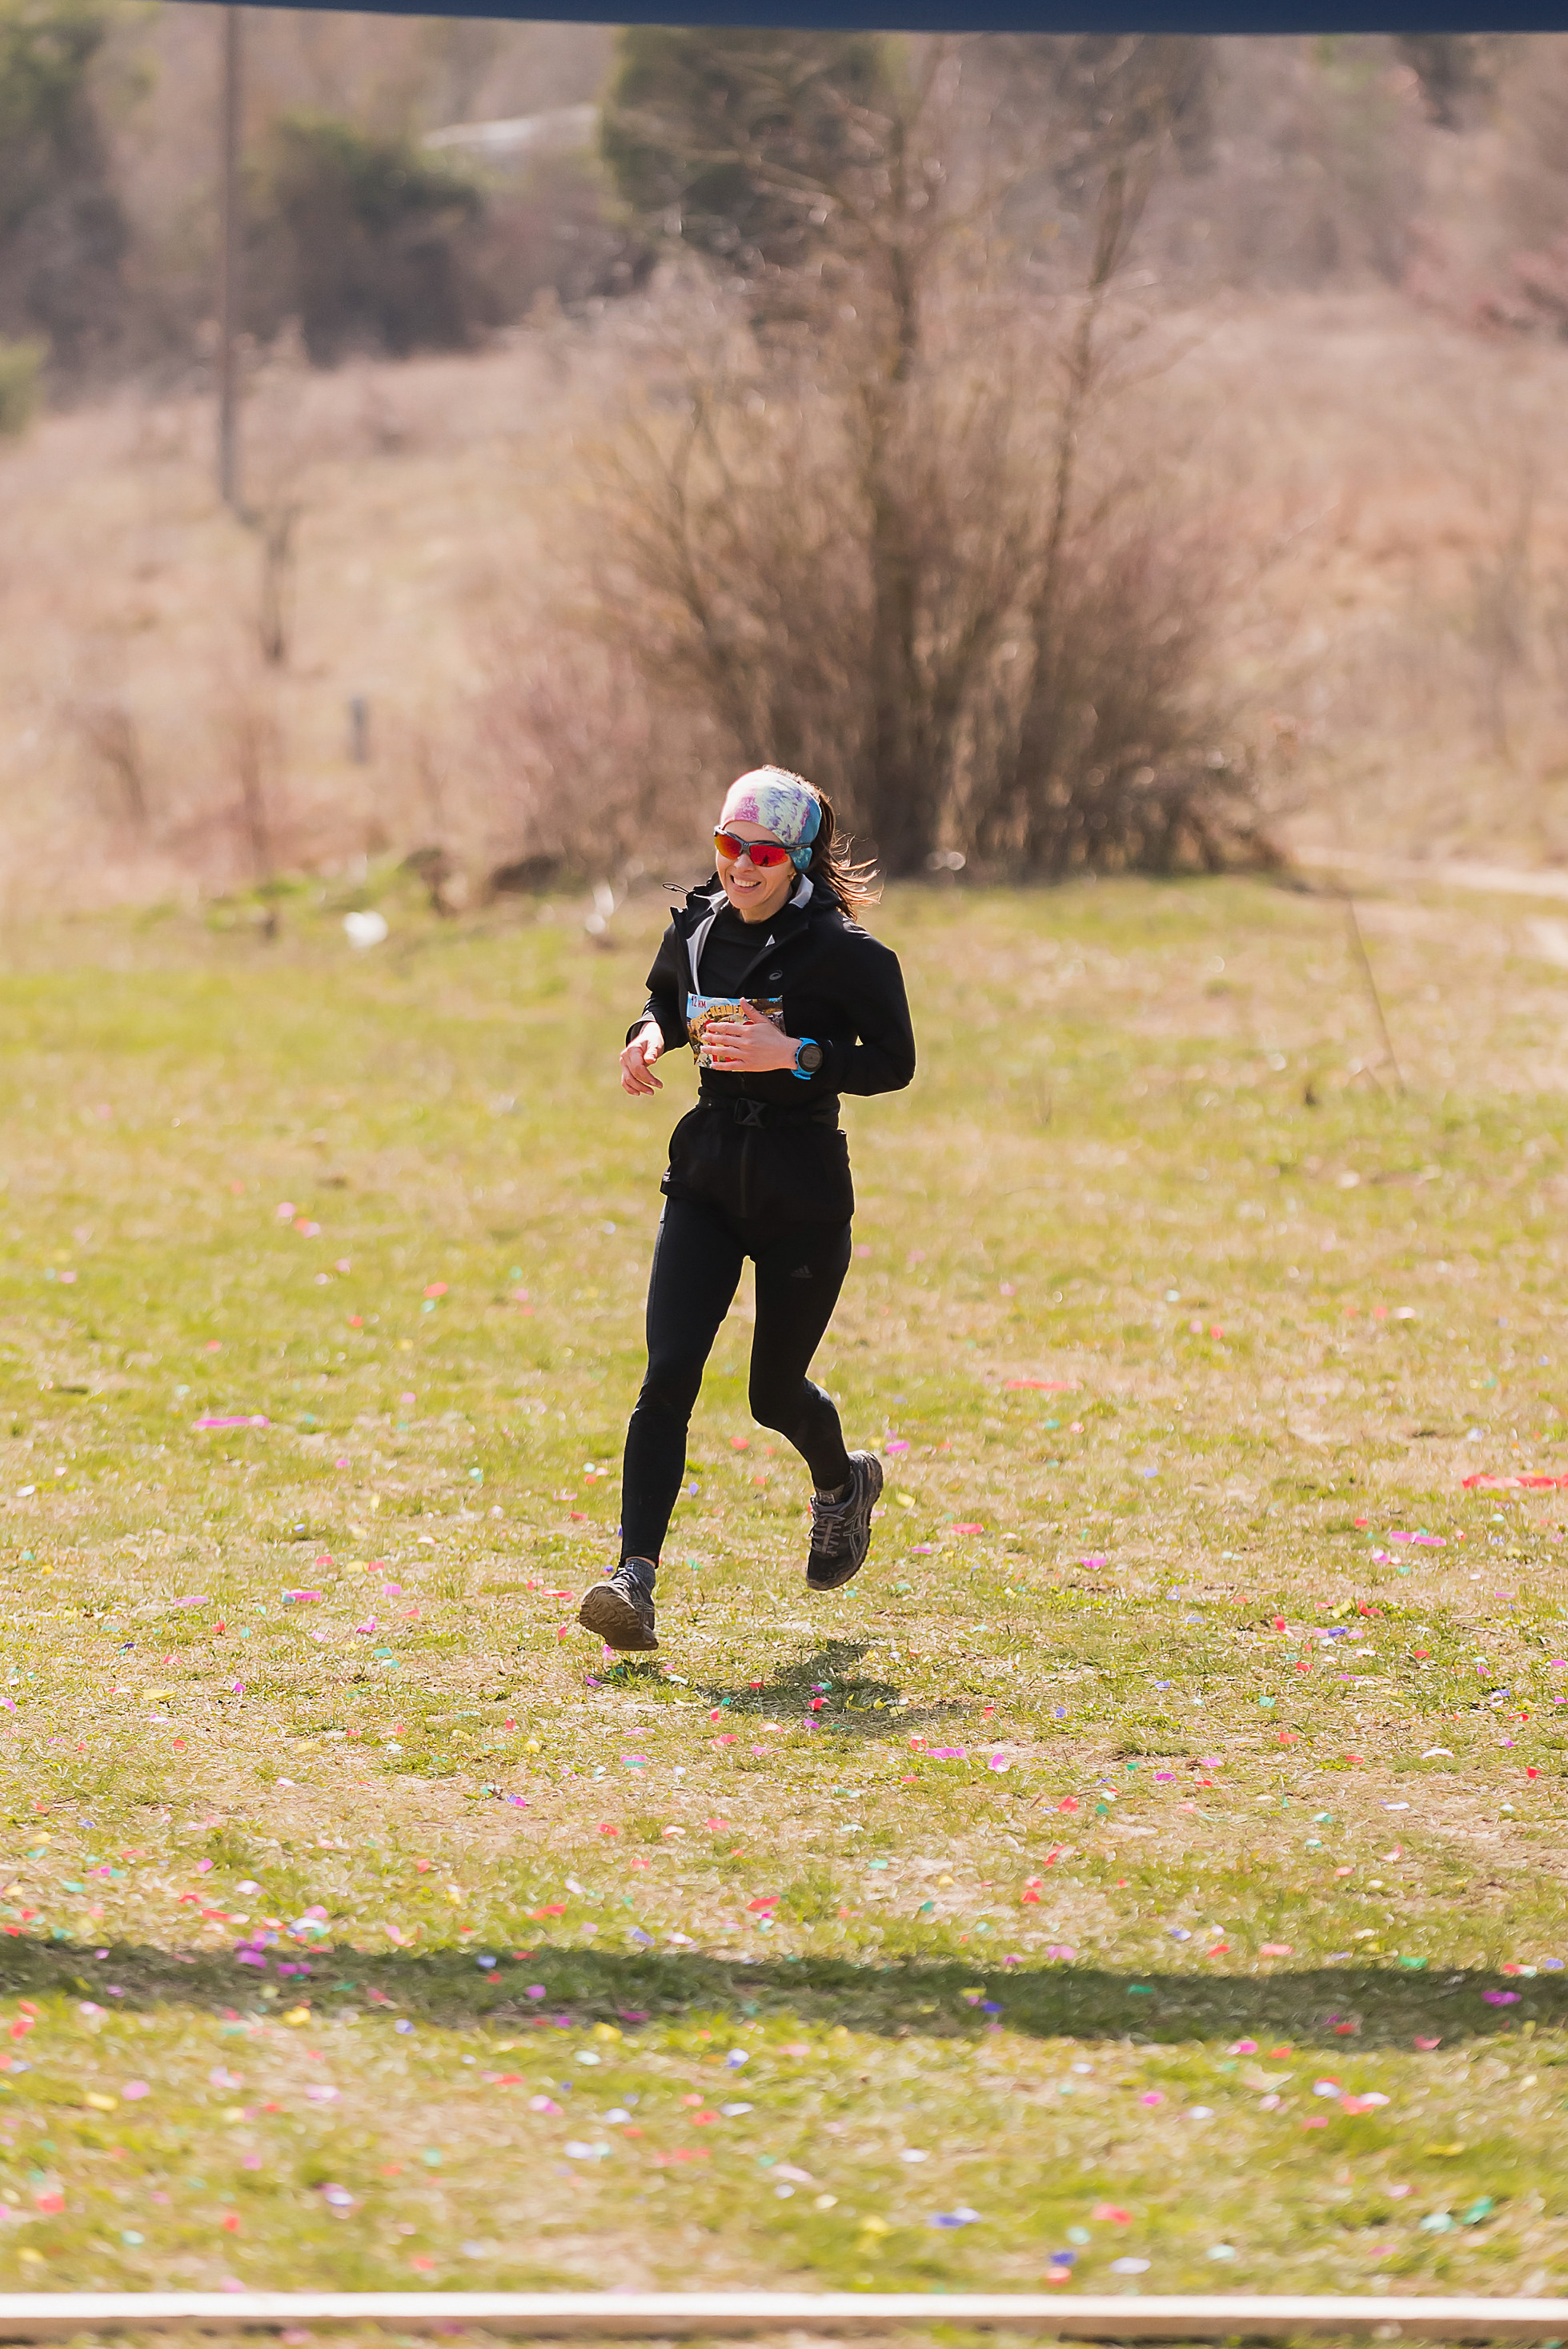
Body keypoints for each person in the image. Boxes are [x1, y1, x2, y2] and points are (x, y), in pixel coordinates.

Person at [576, 768, 916, 1654]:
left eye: (762, 854)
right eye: (729, 846)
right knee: (667, 1375)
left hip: (801, 1192)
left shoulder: (842, 951)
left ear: (795, 858)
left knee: (772, 1394)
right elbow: (664, 997)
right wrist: (650, 1035)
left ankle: (844, 1483)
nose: (740, 867)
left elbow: (894, 1061)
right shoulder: (697, 927)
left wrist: (794, 1053)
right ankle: (632, 1580)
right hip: (707, 1179)